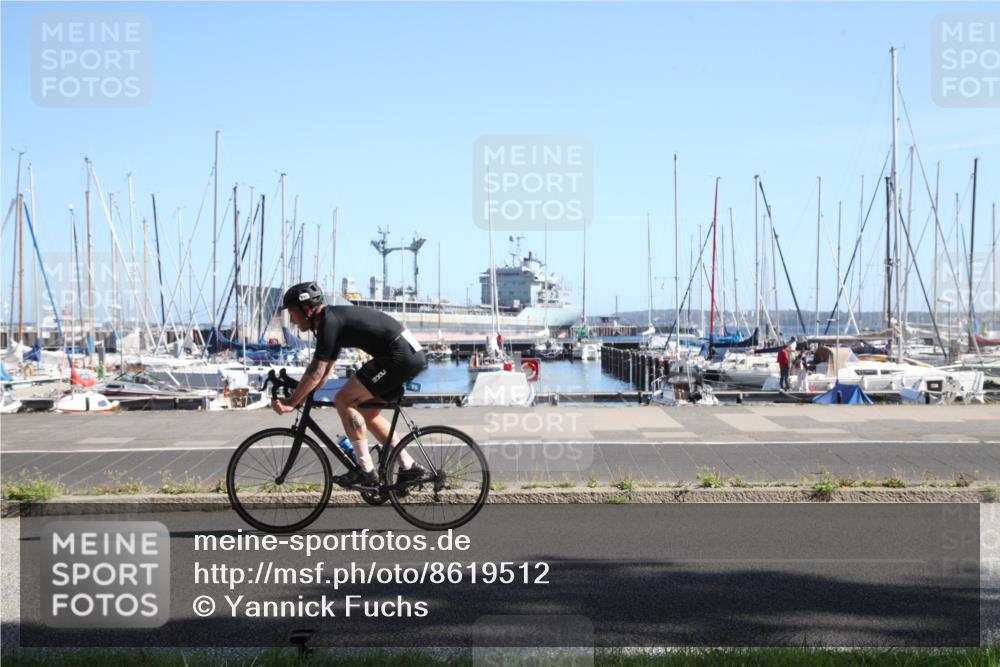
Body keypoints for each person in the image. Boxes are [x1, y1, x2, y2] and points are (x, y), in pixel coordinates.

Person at [272, 281, 428, 488]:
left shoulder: (329, 322)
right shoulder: (331, 322)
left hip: (398, 356)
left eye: (293, 312)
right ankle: (409, 467)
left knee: (343, 399)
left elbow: (315, 371)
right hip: (408, 355)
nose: (291, 319)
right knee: (367, 413)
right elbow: (325, 372)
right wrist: (305, 395)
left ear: (307, 309)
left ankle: (366, 471)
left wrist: (292, 401)